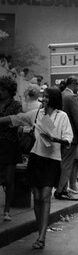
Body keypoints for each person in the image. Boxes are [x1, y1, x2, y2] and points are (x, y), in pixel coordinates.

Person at [0, 87, 73, 248]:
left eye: (47, 97)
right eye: (43, 97)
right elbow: (17, 118)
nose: (44, 99)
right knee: (38, 197)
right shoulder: (38, 114)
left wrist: (55, 139)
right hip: (36, 158)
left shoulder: (62, 116)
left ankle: (42, 236)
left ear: (53, 99)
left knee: (45, 196)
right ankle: (41, 229)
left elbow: (68, 138)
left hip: (52, 160)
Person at [54, 76, 78, 201]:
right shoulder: (72, 97)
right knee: (67, 164)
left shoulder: (59, 95)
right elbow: (77, 119)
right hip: (70, 136)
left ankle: (63, 188)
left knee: (62, 162)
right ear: (73, 84)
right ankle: (60, 190)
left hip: (58, 135)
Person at [0, 76, 22, 221]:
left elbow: (18, 120)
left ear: (9, 91)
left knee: (9, 179)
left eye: (3, 90)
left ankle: (7, 210)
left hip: (10, 145)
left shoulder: (16, 105)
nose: (0, 92)